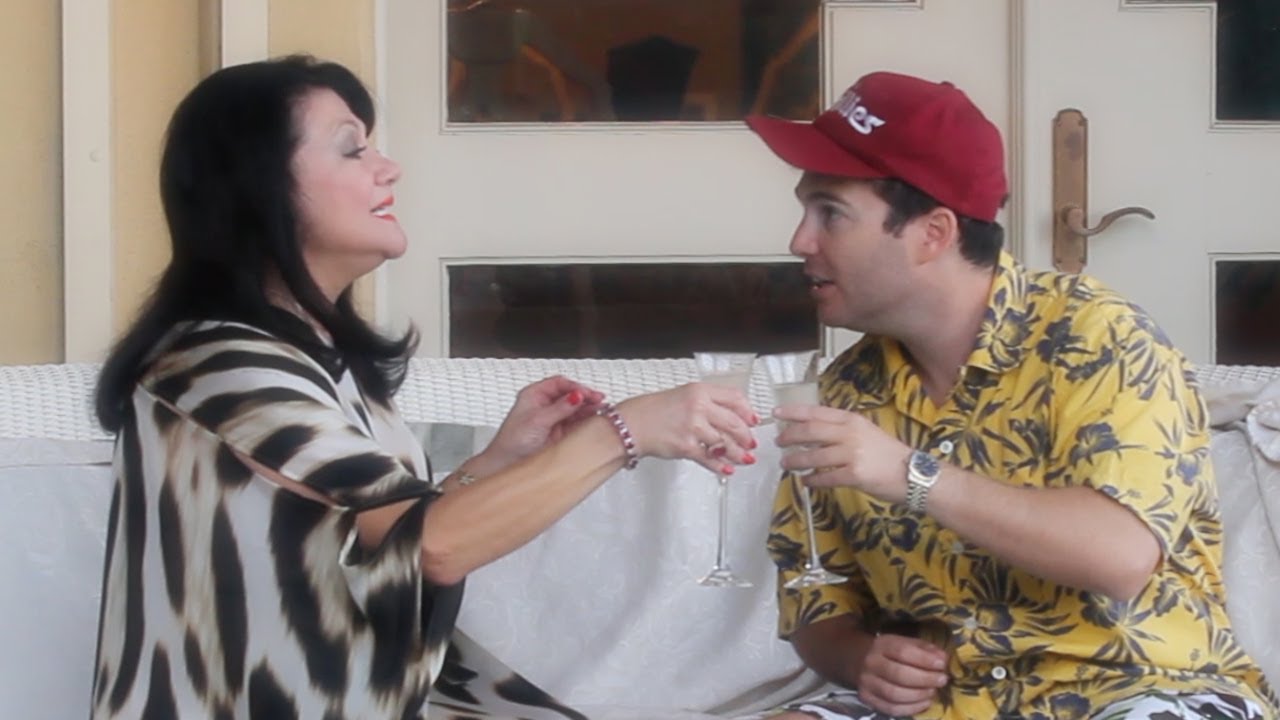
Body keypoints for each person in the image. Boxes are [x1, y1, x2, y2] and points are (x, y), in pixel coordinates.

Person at [89, 55, 758, 720]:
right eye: (352, 148)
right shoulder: (218, 366)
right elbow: (432, 548)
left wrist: (497, 462)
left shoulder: (313, 361)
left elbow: (384, 534)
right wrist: (626, 432)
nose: (388, 168)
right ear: (256, 185)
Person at [744, 71, 1279, 720]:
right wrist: (860, 660)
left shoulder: (1099, 337)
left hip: (1137, 691)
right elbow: (813, 595)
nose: (800, 241)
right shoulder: (843, 390)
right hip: (951, 705)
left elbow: (1120, 555)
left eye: (830, 213)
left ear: (933, 233)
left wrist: (908, 474)